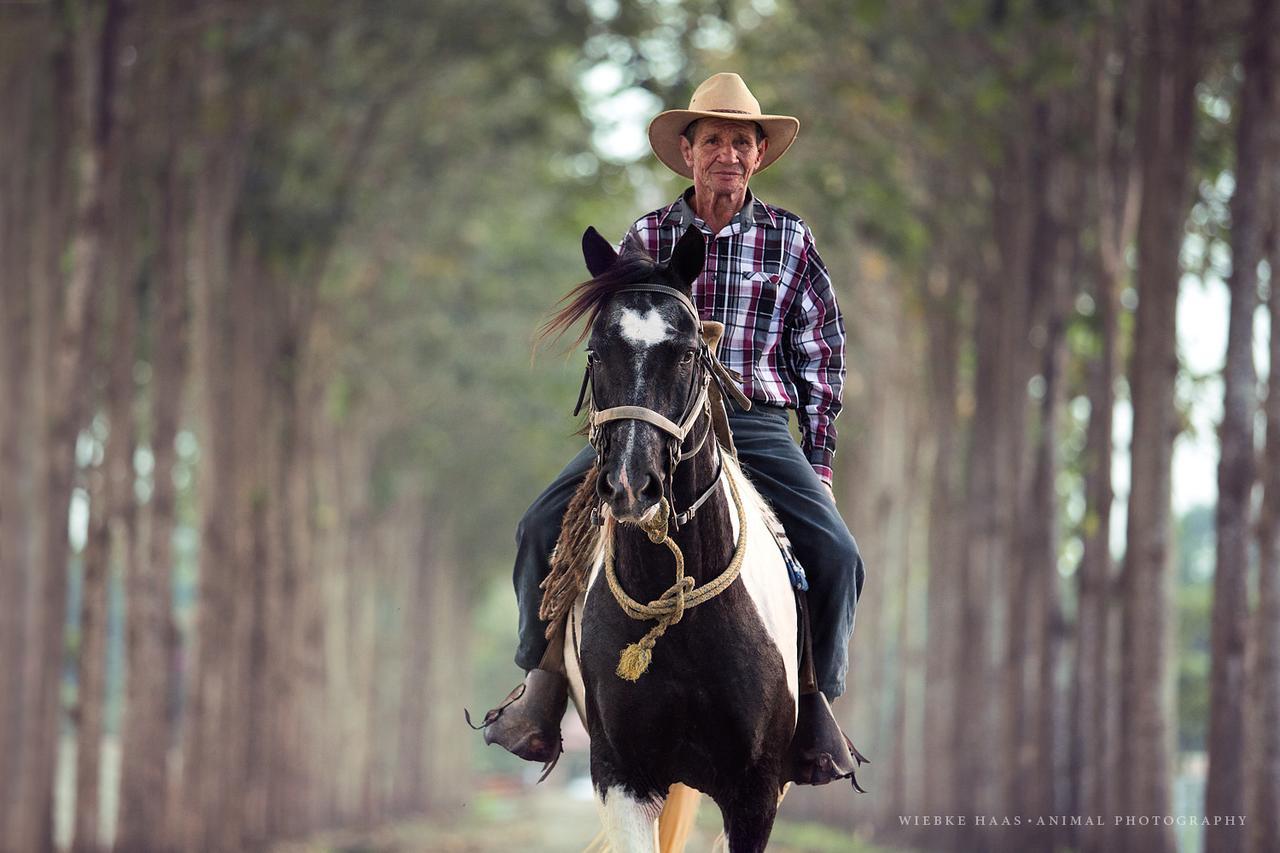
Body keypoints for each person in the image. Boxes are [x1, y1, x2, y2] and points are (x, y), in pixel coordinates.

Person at [482, 72, 866, 785]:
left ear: (759, 155)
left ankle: (816, 706)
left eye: (742, 141)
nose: (728, 152)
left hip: (751, 421)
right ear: (687, 151)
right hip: (657, 419)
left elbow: (821, 356)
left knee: (839, 556)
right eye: (713, 139)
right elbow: (622, 341)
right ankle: (542, 685)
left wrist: (818, 462)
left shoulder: (790, 240)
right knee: (539, 526)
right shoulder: (649, 235)